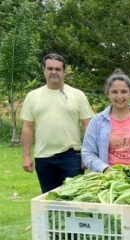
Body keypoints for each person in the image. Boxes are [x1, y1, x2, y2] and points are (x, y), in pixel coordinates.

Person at [21, 53, 94, 193]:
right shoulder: (32, 96)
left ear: (64, 72)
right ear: (44, 70)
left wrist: (87, 154)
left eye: (58, 69)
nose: (54, 72)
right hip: (43, 157)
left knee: (75, 199)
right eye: (50, 68)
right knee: (49, 201)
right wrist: (26, 156)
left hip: (71, 156)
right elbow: (27, 127)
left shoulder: (78, 95)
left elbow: (87, 125)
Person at [81, 69, 130, 173]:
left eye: (124, 91)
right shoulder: (96, 122)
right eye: (114, 92)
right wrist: (106, 169)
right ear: (108, 93)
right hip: (107, 180)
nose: (119, 96)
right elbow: (88, 153)